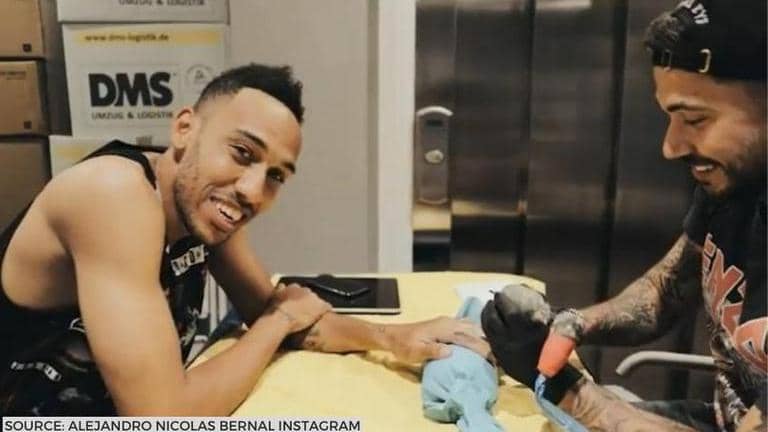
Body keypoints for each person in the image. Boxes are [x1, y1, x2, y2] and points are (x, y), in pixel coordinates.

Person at [0, 64, 487, 416]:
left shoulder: (203, 210)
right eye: (241, 152)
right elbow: (164, 416)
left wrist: (391, 338)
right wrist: (277, 323)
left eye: (275, 175)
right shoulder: (113, 194)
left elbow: (275, 310)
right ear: (184, 129)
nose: (253, 191)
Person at [482, 0, 766, 431]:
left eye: (695, 119)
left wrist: (572, 393)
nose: (670, 147)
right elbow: (664, 291)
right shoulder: (735, 183)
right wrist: (570, 323)